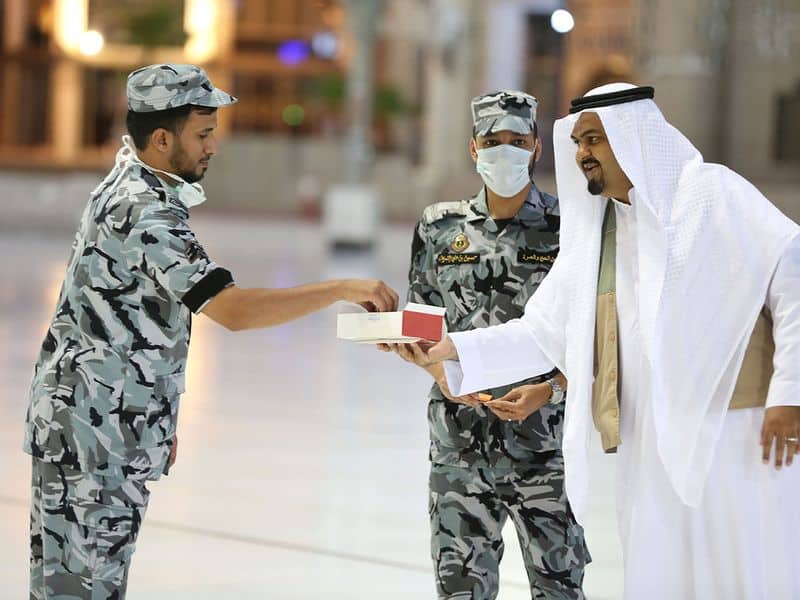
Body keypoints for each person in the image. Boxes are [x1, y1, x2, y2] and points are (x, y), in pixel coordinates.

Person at [24, 63, 398, 599]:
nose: (212, 147)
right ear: (160, 138)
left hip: (98, 428)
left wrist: (153, 419)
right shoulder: (144, 209)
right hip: (94, 440)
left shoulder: (132, 182)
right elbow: (232, 309)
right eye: (202, 134)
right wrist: (338, 288)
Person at [422, 83, 800, 599]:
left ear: (634, 139)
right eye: (577, 143)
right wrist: (455, 350)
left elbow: (790, 270)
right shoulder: (598, 231)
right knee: (660, 574)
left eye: (593, 140)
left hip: (732, 431)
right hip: (649, 442)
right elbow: (542, 331)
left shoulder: (710, 193)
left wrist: (789, 392)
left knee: (744, 570)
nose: (581, 154)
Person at [381, 90, 589, 599]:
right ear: (474, 149)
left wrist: (551, 391)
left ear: (537, 147)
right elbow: (425, 323)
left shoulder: (570, 229)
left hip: (544, 448)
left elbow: (590, 337)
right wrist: (437, 372)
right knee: (460, 590)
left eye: (517, 141)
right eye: (492, 141)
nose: (505, 151)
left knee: (559, 588)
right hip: (458, 446)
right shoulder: (438, 225)